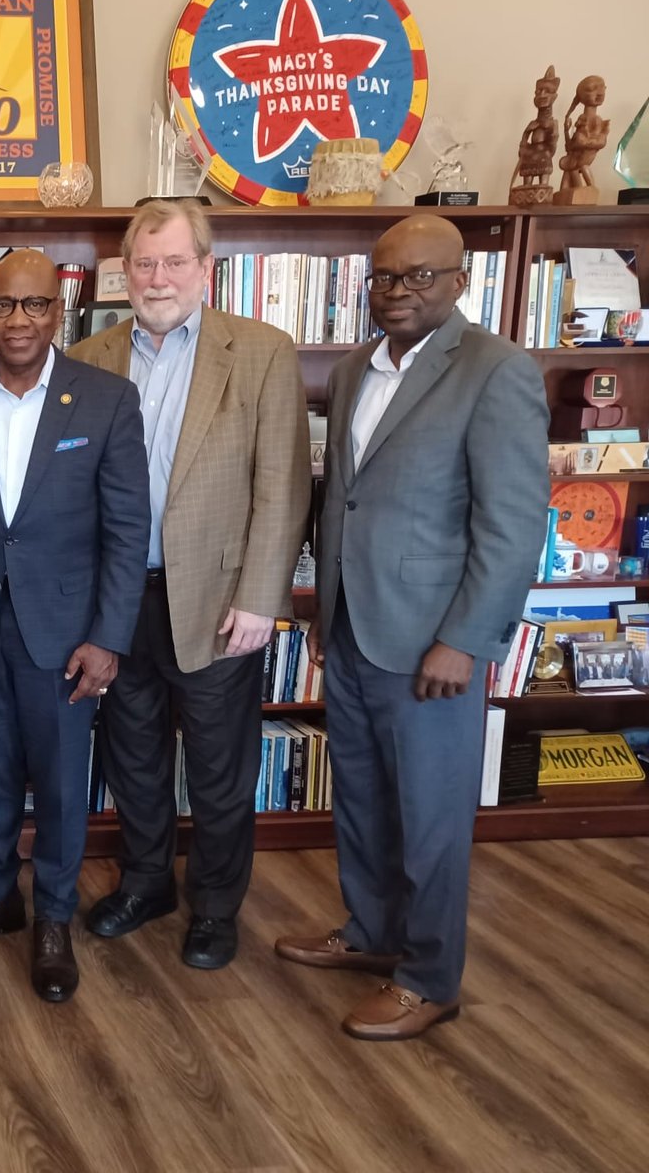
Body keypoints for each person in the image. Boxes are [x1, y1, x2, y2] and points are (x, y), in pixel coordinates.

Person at [275, 216, 549, 1040]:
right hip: (357, 627)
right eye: (385, 278)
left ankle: (430, 978)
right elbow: (345, 500)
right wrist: (325, 608)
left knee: (430, 817)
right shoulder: (359, 367)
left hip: (434, 642)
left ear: (460, 283)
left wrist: (464, 638)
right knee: (361, 798)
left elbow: (512, 523)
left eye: (419, 277)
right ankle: (371, 932)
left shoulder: (498, 372)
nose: (397, 292)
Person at [67, 199, 311, 971]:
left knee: (218, 766)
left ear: (207, 269)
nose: (159, 277)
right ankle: (147, 884)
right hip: (119, 600)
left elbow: (283, 484)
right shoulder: (91, 354)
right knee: (132, 755)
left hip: (217, 601)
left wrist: (262, 598)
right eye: (145, 263)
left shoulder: (263, 351)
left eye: (175, 261)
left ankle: (213, 906)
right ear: (125, 272)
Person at [0, 250, 150, 1003]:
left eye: (36, 305)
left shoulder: (106, 400)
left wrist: (110, 637)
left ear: (61, 312)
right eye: (6, 305)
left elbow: (126, 530)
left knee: (57, 786)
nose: (20, 320)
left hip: (66, 633)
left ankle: (53, 915)